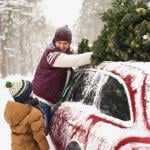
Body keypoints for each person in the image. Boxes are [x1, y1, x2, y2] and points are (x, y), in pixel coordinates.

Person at [32, 25, 93, 123]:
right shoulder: (51, 53)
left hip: (52, 102)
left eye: (65, 43)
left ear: (69, 43)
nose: (62, 46)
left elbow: (76, 57)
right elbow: (74, 60)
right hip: (41, 100)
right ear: (54, 41)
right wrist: (94, 56)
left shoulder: (69, 52)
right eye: (59, 42)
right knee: (40, 132)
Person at [4, 80, 49, 150]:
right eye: (31, 90)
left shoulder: (15, 111)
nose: (32, 91)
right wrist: (45, 148)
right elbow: (39, 136)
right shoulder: (34, 113)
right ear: (26, 95)